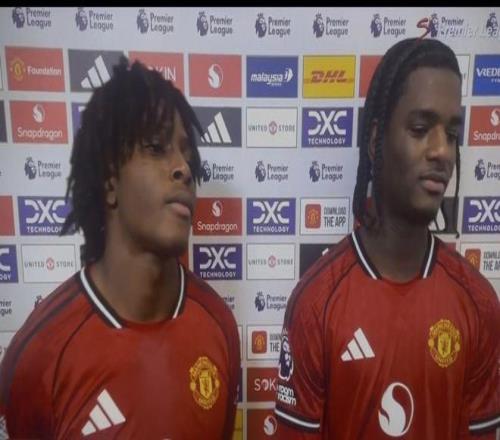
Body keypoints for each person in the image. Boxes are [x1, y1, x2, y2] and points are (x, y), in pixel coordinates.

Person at [0, 58, 240, 439]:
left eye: (187, 154)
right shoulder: (39, 357)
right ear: (110, 181)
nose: (183, 168)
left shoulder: (219, 325)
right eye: (156, 147)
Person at [274, 38, 499, 439]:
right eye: (421, 129)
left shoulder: (478, 303)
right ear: (376, 139)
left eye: (452, 133)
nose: (442, 151)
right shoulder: (316, 304)